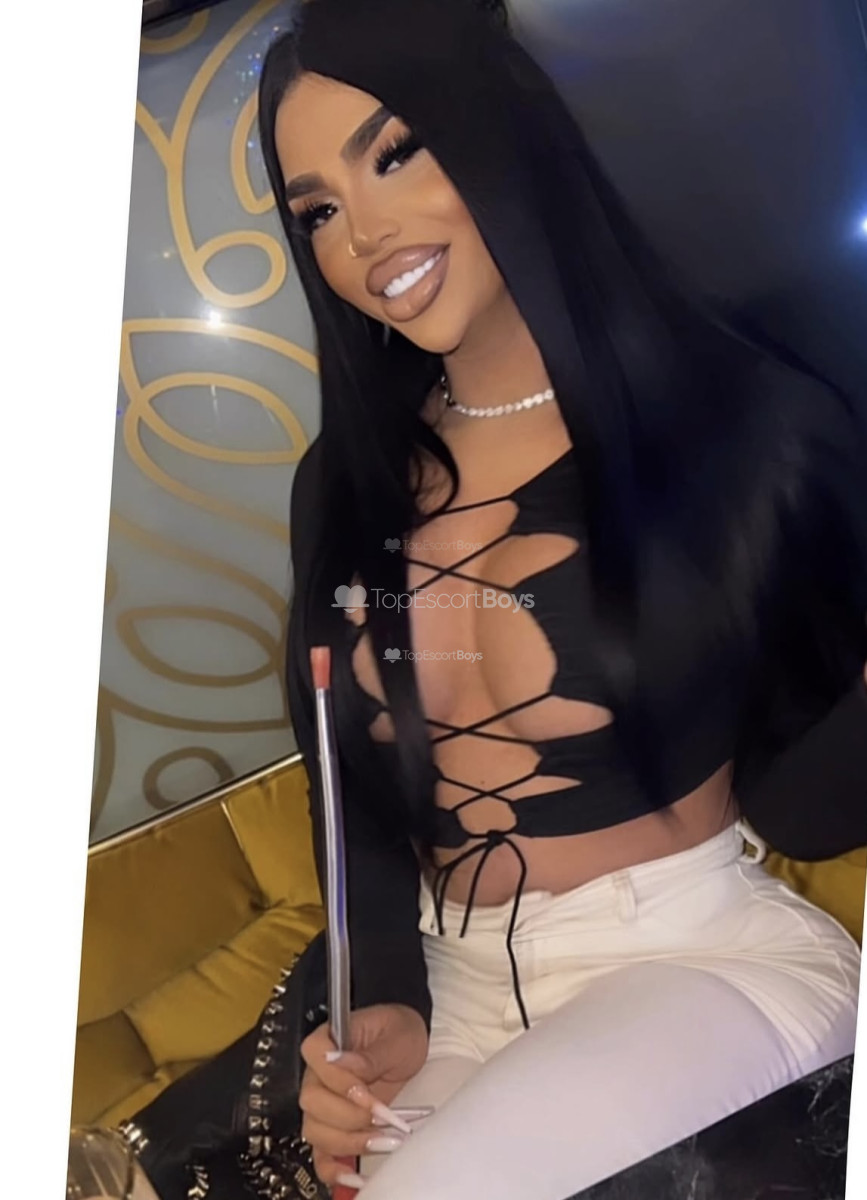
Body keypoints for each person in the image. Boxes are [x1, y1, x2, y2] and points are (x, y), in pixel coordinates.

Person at [257, 1, 867, 1195]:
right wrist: (384, 1003)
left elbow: (803, 808)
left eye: (395, 153)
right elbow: (352, 796)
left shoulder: (744, 425)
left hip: (693, 962)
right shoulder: (342, 481)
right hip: (460, 990)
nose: (363, 234)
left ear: (498, 130)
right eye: (317, 210)